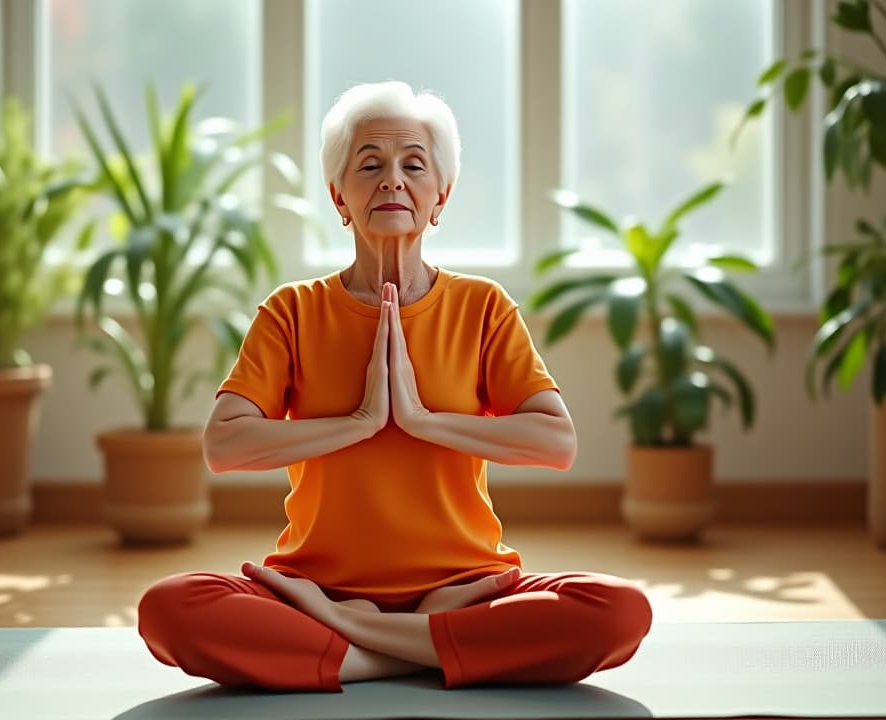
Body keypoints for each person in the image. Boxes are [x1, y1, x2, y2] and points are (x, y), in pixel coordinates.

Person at [137, 80, 652, 692]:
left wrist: (420, 419)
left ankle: (353, 648)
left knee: (618, 611)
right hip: (315, 590)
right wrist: (358, 421)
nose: (391, 181)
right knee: (169, 608)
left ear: (441, 197)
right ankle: (428, 653)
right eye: (369, 165)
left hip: (465, 591)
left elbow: (556, 442)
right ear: (339, 196)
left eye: (413, 164)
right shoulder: (292, 312)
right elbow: (224, 446)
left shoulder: (483, 307)